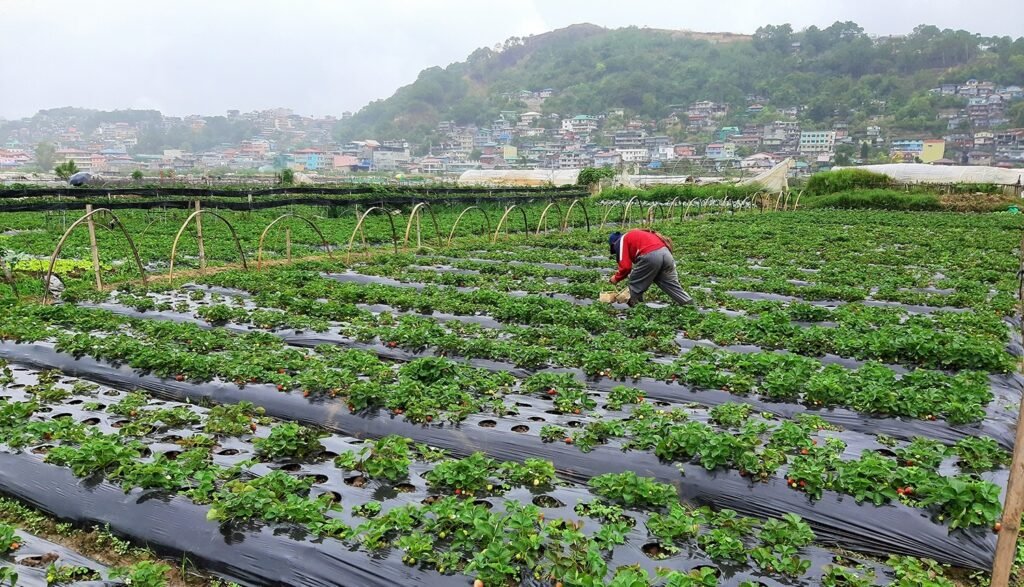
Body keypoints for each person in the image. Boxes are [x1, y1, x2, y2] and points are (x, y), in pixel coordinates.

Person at [608, 229, 693, 307]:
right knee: (672, 286)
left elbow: (626, 267)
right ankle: (692, 307)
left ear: (614, 243)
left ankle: (636, 311)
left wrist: (615, 278)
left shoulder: (622, 240)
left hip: (650, 255)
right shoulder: (637, 234)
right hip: (666, 254)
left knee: (634, 285)